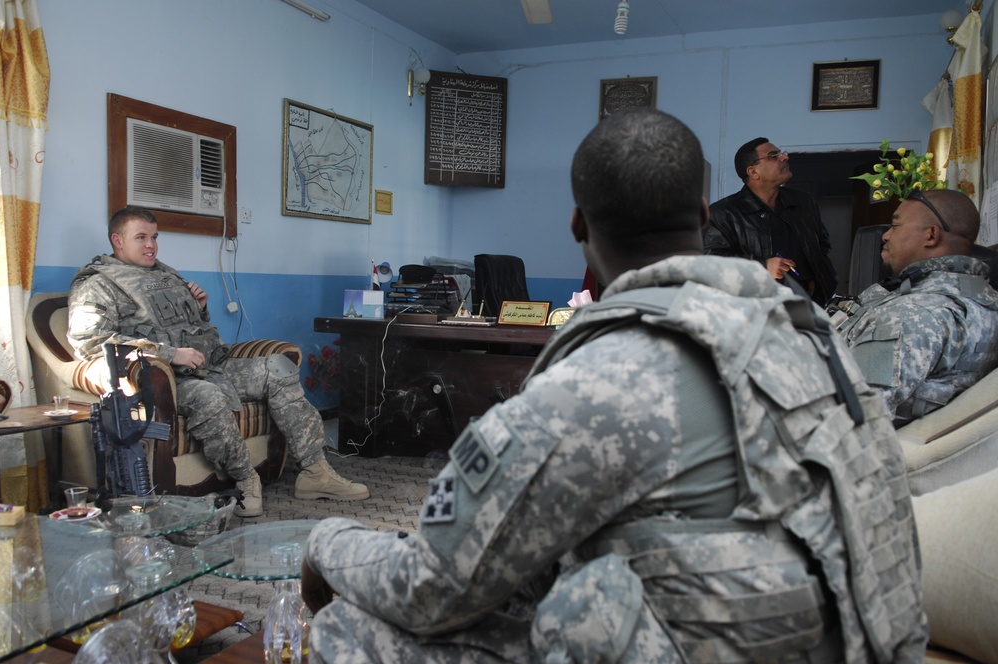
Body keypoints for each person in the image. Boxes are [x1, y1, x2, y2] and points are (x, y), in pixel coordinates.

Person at [301, 109, 926, 662]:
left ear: (578, 225)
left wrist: (326, 540)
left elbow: (431, 588)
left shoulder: (591, 386)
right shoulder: (813, 336)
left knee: (354, 629)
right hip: (865, 636)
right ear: (704, 214)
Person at [67, 206, 369, 517]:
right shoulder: (98, 284)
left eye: (154, 237)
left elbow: (186, 326)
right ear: (117, 239)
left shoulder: (164, 273)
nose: (151, 245)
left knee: (278, 367)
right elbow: (91, 342)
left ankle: (315, 472)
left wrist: (200, 307)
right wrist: (170, 355)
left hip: (212, 363)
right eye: (141, 237)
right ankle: (246, 481)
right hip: (171, 381)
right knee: (206, 396)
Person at [834, 189, 998, 426]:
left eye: (895, 226)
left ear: (931, 235)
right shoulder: (980, 298)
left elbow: (845, 417)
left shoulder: (909, 316)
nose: (886, 236)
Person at [704, 137, 838, 305]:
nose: (784, 157)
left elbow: (822, 244)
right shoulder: (722, 213)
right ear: (753, 172)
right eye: (773, 156)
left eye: (780, 153)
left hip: (806, 304)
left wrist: (816, 276)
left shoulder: (803, 202)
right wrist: (762, 266)